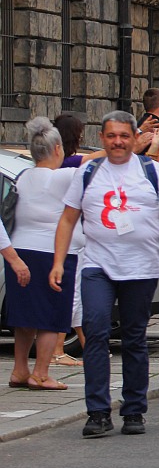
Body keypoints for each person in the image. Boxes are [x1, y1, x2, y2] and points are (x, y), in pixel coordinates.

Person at [50, 111, 159, 438]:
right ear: (102, 139)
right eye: (111, 136)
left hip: (140, 268)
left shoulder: (153, 172)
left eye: (124, 136)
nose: (118, 142)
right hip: (97, 265)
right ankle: (97, 412)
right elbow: (68, 220)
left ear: (134, 137)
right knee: (95, 332)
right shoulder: (88, 173)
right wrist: (58, 262)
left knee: (134, 338)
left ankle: (134, 409)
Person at [6, 118, 77, 389]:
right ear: (57, 148)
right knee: (51, 317)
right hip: (51, 252)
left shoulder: (23, 176)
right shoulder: (62, 177)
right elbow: (94, 162)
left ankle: (20, 369)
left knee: (25, 317)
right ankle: (41, 373)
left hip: (20, 250)